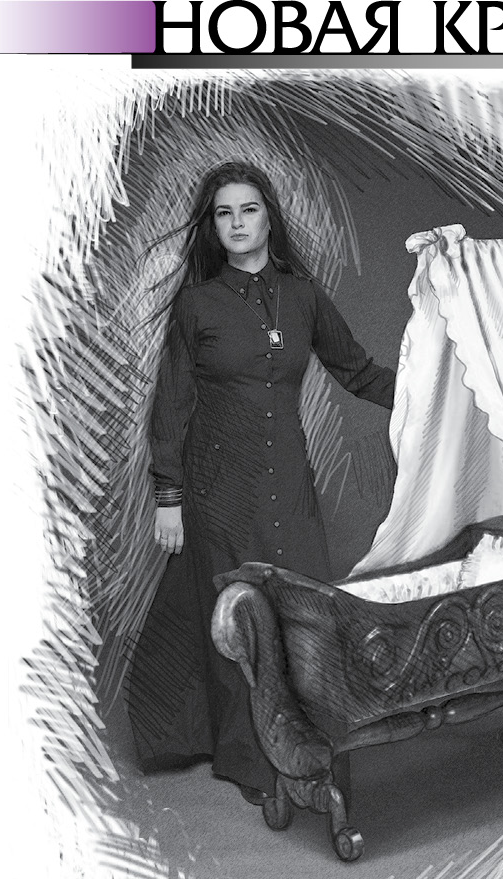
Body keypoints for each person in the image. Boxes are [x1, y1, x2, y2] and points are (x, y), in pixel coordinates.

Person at [127, 161, 396, 798]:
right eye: (224, 213)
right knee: (238, 621)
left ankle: (309, 748)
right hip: (218, 488)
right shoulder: (197, 305)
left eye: (248, 209)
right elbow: (170, 406)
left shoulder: (303, 297)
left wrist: (442, 383)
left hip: (289, 481)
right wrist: (169, 498)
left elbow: (358, 373)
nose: (237, 223)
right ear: (213, 227)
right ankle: (250, 762)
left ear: (269, 217)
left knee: (305, 616)